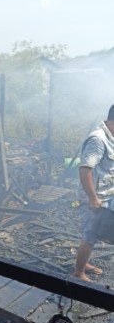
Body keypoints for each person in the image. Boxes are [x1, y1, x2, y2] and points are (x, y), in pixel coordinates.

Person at [73, 104, 114, 281]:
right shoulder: (98, 139)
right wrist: (93, 198)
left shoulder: (111, 137)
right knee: (90, 235)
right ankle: (78, 272)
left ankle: (83, 263)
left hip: (108, 194)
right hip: (98, 198)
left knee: (94, 232)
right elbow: (85, 169)